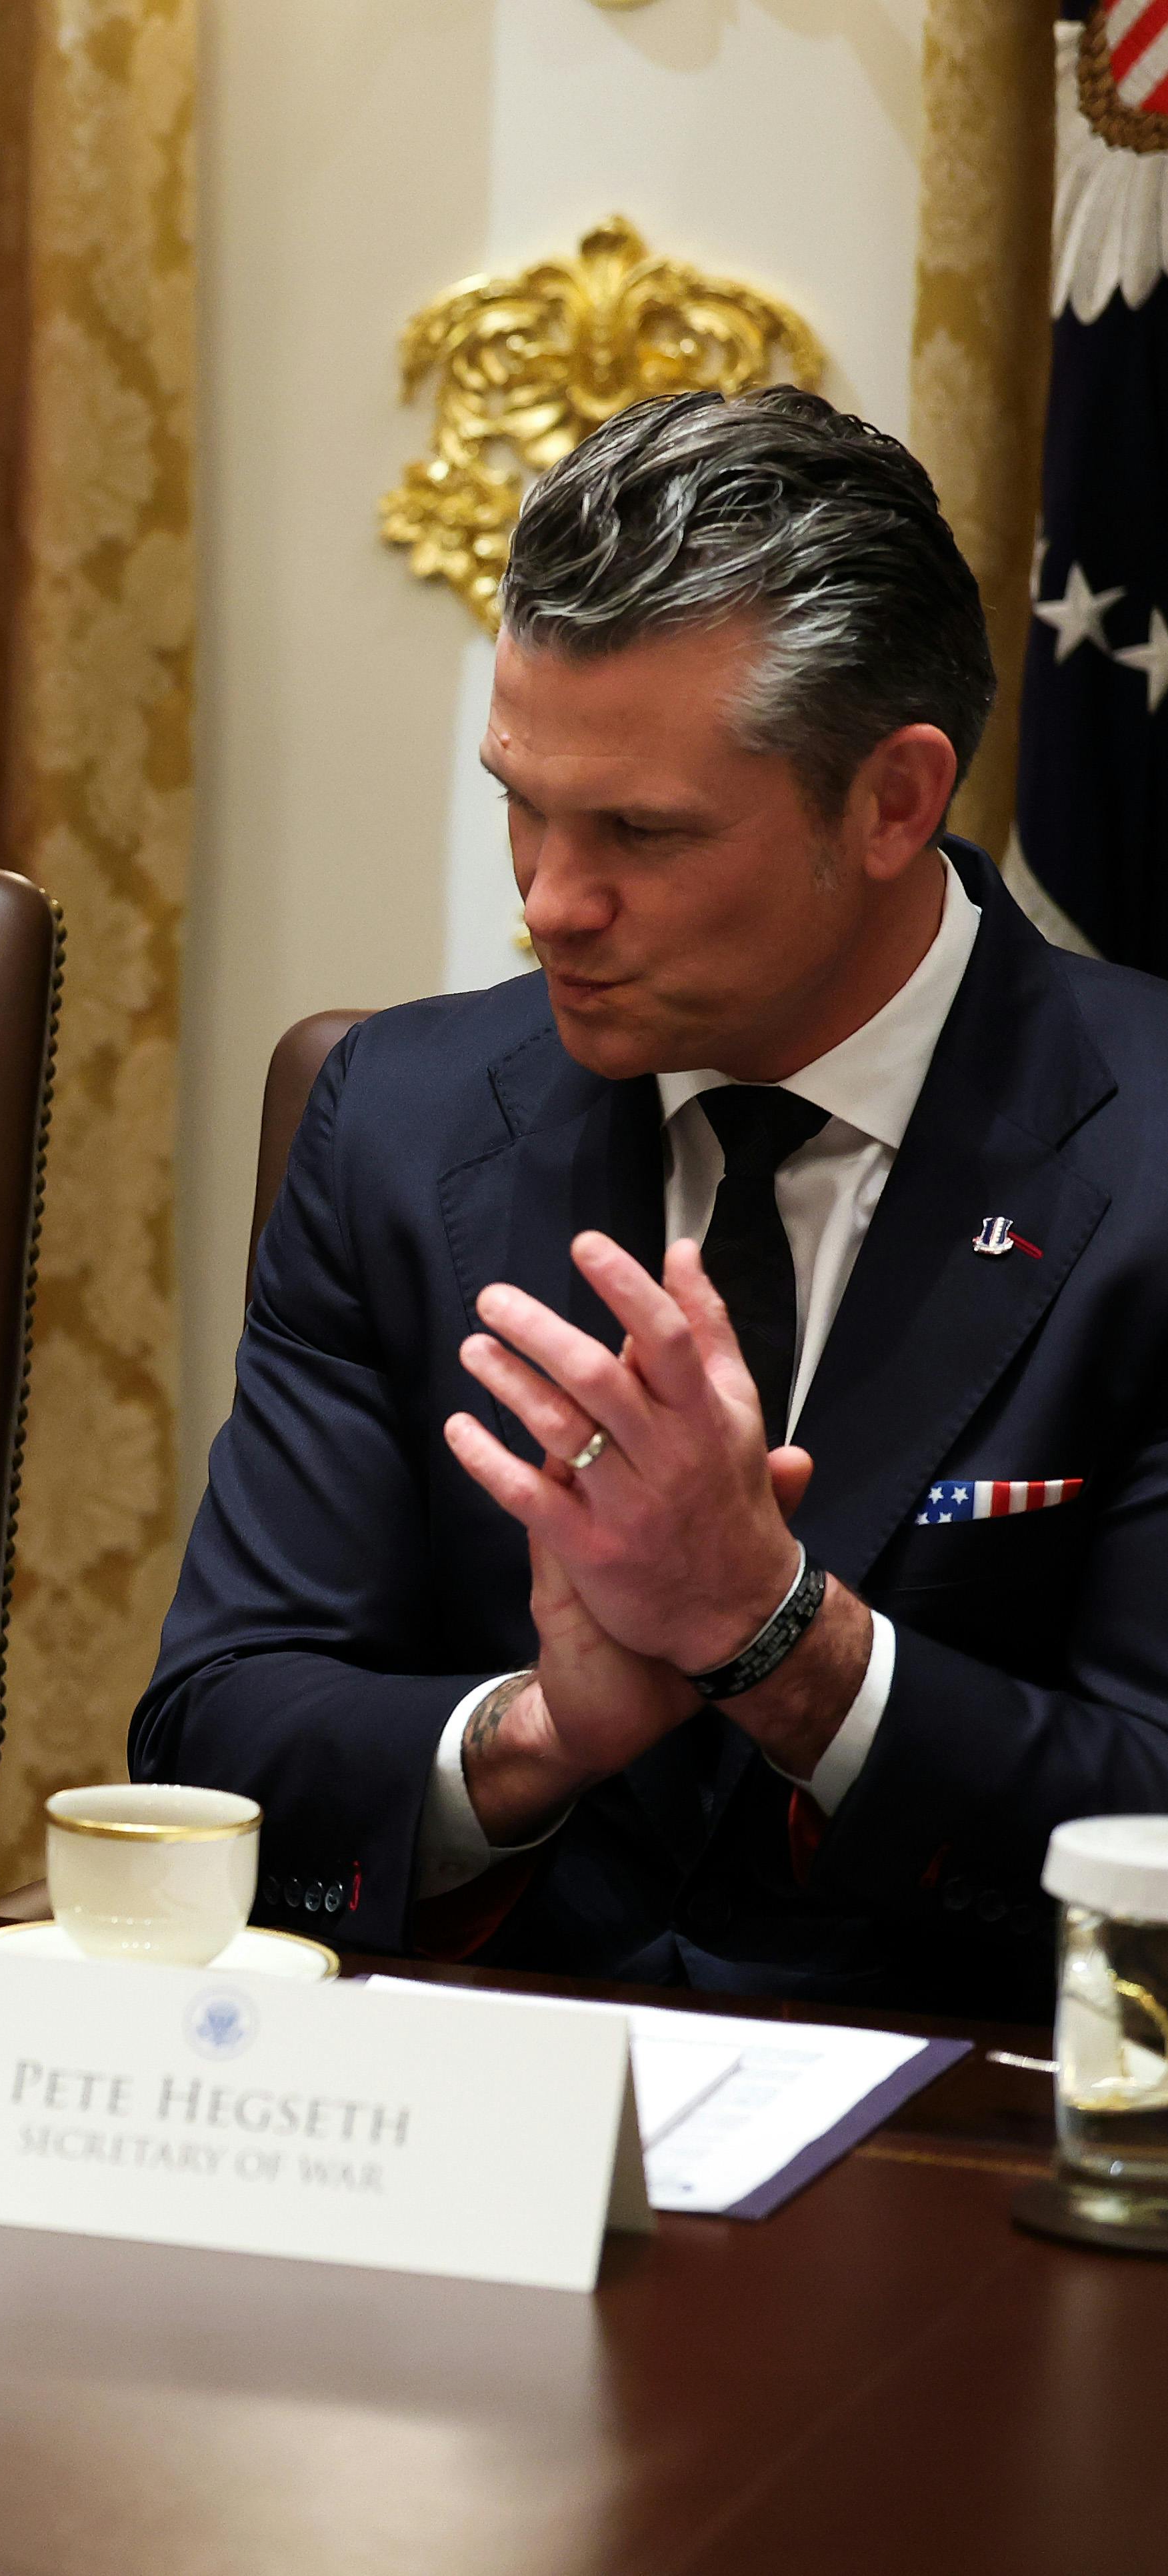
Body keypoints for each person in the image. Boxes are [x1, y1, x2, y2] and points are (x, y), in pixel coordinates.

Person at [137, 386, 1168, 2017]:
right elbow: (219, 1727)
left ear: (892, 801)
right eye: (517, 803)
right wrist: (536, 1737)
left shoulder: (1145, 1162)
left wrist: (781, 1644)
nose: (548, 901)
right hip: (477, 2091)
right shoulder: (397, 1124)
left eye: (638, 831)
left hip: (982, 2141)